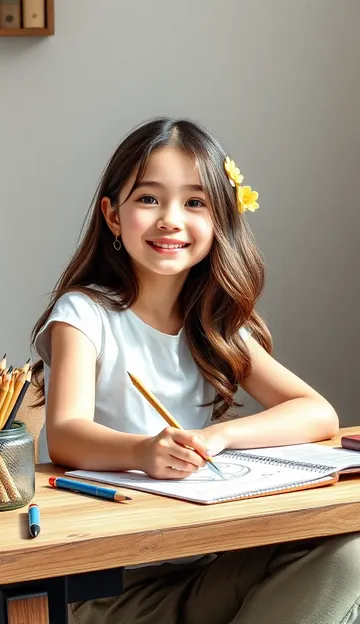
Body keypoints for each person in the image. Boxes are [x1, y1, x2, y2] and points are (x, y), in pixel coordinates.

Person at [31, 117, 360, 624]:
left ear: (220, 220)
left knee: (348, 553)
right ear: (112, 216)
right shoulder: (84, 314)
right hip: (113, 585)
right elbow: (67, 435)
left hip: (207, 555)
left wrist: (221, 437)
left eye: (195, 202)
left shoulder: (214, 322)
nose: (170, 219)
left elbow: (316, 413)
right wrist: (143, 450)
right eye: (148, 199)